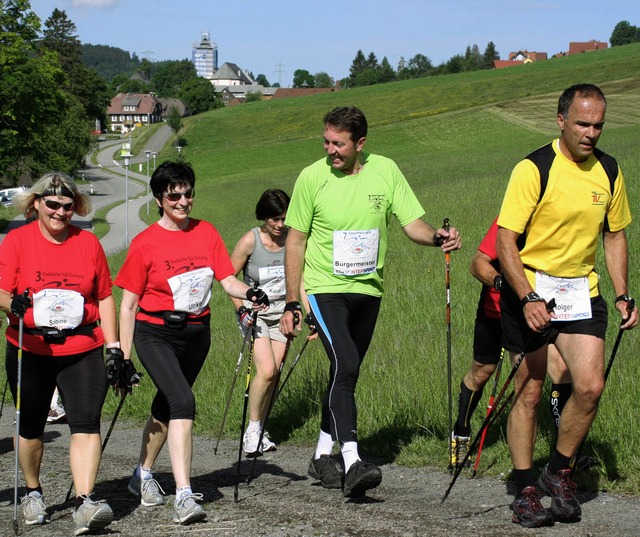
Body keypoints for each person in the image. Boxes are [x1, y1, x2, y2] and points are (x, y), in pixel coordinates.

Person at [279, 106, 462, 498]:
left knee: (347, 371)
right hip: (324, 288)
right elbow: (295, 240)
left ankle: (321, 455)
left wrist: (436, 238)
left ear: (360, 143)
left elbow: (411, 223)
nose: (331, 150)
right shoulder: (312, 178)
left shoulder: (385, 170)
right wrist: (293, 301)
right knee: (346, 362)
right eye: (326, 141)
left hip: (368, 290)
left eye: (339, 144)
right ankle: (352, 460)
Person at [495, 83, 638, 528]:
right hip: (533, 288)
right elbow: (504, 240)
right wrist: (527, 295)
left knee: (590, 387)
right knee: (530, 389)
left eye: (598, 125)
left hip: (581, 290)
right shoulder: (534, 168)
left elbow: (614, 234)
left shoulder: (609, 171)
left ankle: (557, 472)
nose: (591, 133)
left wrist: (620, 292)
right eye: (582, 123)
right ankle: (523, 488)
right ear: (561, 121)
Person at [115, 161, 269, 525]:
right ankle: (184, 495)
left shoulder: (207, 232)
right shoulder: (144, 243)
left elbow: (227, 280)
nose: (183, 201)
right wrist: (121, 356)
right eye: (174, 195)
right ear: (159, 199)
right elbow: (128, 305)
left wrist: (251, 293)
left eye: (188, 193)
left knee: (167, 403)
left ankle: (142, 474)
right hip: (155, 333)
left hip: (198, 333)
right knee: (183, 400)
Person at [0, 172, 118, 535]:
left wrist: (114, 348)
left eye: (68, 206)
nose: (60, 212)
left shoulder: (88, 243)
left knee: (85, 421)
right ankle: (33, 493)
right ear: (36, 204)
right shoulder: (17, 241)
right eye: (52, 204)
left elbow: (105, 296)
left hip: (82, 346)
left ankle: (84, 502)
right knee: (32, 425)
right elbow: (1, 291)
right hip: (30, 345)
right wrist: (12, 303)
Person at [451, 218, 573, 469]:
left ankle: (565, 453)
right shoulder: (512, 217)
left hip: (540, 312)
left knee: (560, 370)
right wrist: (500, 283)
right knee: (483, 371)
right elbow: (477, 264)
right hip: (496, 310)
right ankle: (461, 432)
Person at [229, 189, 313, 456]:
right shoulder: (250, 241)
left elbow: (300, 283)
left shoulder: (294, 240)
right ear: (263, 217)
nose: (279, 224)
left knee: (274, 374)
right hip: (256, 315)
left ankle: (261, 426)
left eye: (284, 218)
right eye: (274, 219)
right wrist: (242, 310)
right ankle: (252, 430)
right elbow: (229, 281)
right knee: (265, 371)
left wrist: (310, 315)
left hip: (284, 313)